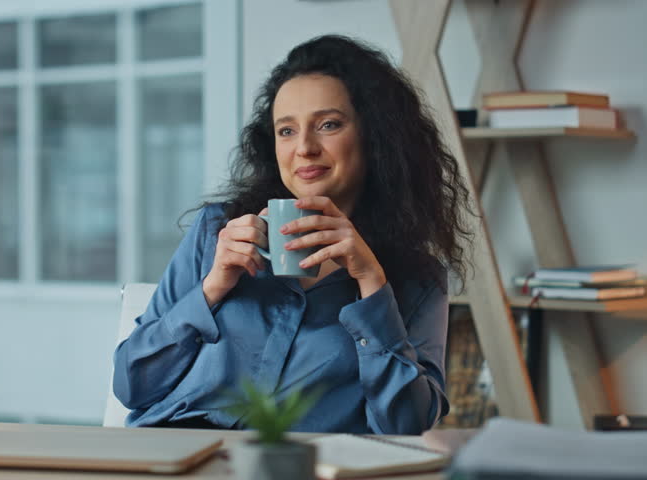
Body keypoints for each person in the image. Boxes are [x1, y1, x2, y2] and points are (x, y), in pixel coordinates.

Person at [112, 35, 472, 434]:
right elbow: (132, 385)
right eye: (286, 130)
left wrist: (371, 284)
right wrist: (212, 288)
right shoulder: (217, 231)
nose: (304, 147)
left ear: (376, 136)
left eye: (328, 125)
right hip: (178, 455)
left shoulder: (416, 280)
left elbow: (405, 425)